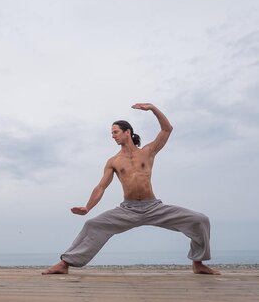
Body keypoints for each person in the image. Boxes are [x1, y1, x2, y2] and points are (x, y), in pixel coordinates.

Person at [42, 103, 220, 275]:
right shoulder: (113, 161)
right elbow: (101, 187)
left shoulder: (148, 151)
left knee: (200, 220)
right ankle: (64, 263)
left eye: (115, 132)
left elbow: (167, 129)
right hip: (128, 210)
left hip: (154, 207)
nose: (113, 136)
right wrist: (88, 207)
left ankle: (198, 263)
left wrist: (152, 108)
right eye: (111, 133)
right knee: (92, 224)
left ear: (128, 132)